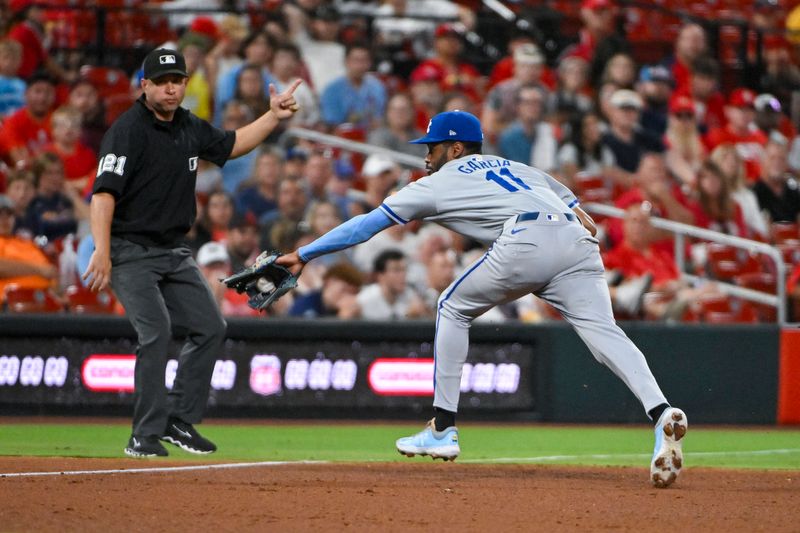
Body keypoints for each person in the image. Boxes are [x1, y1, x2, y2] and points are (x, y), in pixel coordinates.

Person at [274, 110, 688, 488]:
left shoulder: (437, 182)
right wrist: (573, 207)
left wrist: (304, 253)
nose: (426, 155)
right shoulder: (512, 166)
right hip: (576, 242)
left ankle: (442, 429)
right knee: (605, 333)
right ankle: (660, 413)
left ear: (456, 148)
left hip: (528, 237)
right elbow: (567, 197)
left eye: (433, 147)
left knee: (452, 306)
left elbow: (366, 225)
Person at [81, 47, 301, 458]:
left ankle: (177, 421)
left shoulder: (186, 125)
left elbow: (232, 144)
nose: (170, 88)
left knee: (211, 326)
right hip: (131, 249)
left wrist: (272, 116)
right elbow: (103, 194)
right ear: (144, 85)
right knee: (157, 332)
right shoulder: (127, 130)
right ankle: (142, 435)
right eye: (162, 81)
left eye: (177, 81)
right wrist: (103, 250)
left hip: (173, 250)